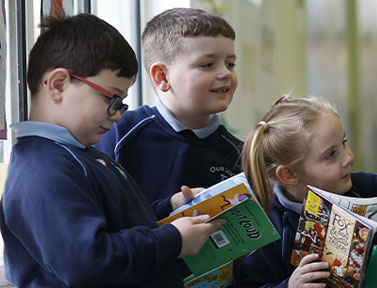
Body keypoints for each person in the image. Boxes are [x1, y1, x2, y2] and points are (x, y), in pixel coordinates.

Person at [0, 13, 223, 287]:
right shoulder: (42, 170)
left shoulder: (81, 155)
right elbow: (87, 262)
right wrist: (172, 240)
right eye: (112, 98)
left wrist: (168, 209)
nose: (117, 115)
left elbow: (116, 223)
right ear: (58, 85)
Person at [236, 96, 377, 287]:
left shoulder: (364, 188)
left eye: (344, 143)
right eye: (331, 155)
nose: (348, 158)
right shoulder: (266, 226)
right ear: (290, 174)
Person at [95, 8, 243, 204]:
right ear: (162, 77)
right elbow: (102, 209)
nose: (225, 73)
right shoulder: (120, 131)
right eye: (208, 64)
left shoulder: (238, 153)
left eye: (230, 64)